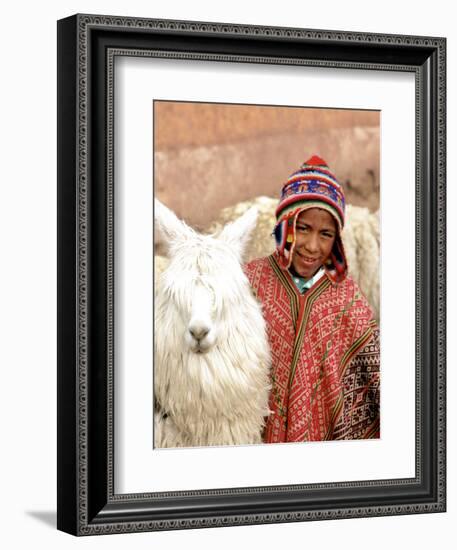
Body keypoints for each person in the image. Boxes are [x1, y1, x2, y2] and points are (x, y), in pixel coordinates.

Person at [245, 155, 380, 443]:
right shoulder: (251, 281)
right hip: (254, 437)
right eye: (303, 228)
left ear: (337, 240)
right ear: (285, 225)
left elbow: (375, 375)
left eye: (325, 234)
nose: (312, 246)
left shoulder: (347, 299)